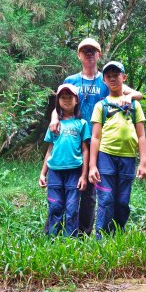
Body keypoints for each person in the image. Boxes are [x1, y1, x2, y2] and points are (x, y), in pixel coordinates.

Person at [49, 38, 142, 236]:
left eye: (93, 50)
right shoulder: (70, 81)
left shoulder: (106, 79)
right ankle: (60, 230)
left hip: (98, 141)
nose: (89, 53)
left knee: (90, 190)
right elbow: (59, 104)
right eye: (85, 51)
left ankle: (83, 232)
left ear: (99, 55)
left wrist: (130, 97)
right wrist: (54, 118)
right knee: (71, 185)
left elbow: (138, 94)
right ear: (79, 55)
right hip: (74, 140)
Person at [88, 61, 146, 239]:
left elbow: (141, 136)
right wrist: (92, 165)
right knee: (106, 200)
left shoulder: (135, 105)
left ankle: (117, 237)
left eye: (116, 75)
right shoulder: (101, 106)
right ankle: (101, 240)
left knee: (122, 202)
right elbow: (95, 137)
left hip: (128, 159)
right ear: (104, 81)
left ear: (124, 78)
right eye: (108, 76)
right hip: (105, 157)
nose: (113, 79)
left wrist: (143, 162)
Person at [39, 84, 91, 237]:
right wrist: (43, 173)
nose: (67, 100)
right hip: (54, 172)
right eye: (63, 97)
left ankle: (70, 240)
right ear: (58, 101)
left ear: (76, 101)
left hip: (74, 172)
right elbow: (49, 150)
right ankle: (52, 238)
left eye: (70, 97)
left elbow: (85, 150)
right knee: (55, 206)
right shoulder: (54, 125)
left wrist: (83, 175)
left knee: (72, 208)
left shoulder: (81, 124)